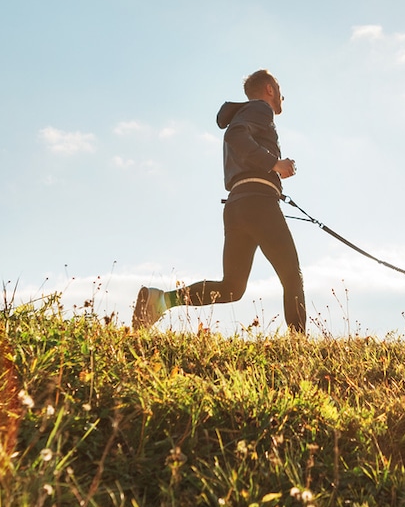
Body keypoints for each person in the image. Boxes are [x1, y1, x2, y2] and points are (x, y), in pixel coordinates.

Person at [131, 69, 306, 333]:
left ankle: (161, 300)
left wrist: (274, 171)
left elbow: (238, 139)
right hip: (258, 204)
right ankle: (299, 347)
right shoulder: (260, 109)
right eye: (279, 89)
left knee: (232, 288)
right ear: (269, 89)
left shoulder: (247, 113)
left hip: (237, 205)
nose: (283, 96)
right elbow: (235, 136)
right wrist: (275, 163)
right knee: (292, 276)